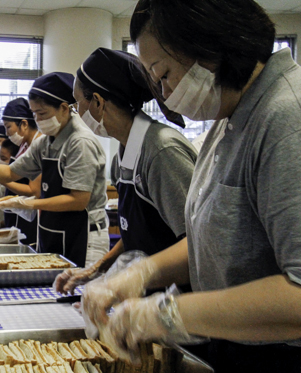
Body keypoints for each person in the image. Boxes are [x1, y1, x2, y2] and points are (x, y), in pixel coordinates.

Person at [82, 1, 301, 373]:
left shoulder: (290, 117)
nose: (164, 94)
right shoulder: (230, 117)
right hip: (237, 355)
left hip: (292, 370)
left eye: (164, 75)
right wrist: (142, 274)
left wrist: (167, 314)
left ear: (212, 45)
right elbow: (216, 236)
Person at [55, 48, 197, 295]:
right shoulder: (123, 154)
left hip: (182, 302)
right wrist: (98, 268)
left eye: (78, 104)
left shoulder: (161, 151)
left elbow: (197, 245)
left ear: (98, 102)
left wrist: (126, 281)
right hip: (150, 294)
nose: (77, 112)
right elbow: (139, 232)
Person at [0, 72, 109, 268]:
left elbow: (78, 200)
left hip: (84, 236)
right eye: (34, 113)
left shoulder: (79, 142)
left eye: (42, 114)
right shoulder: (46, 142)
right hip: (53, 230)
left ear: (64, 108)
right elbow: (11, 172)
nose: (37, 119)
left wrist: (29, 204)